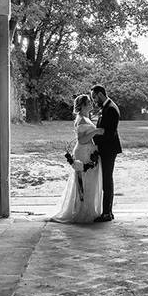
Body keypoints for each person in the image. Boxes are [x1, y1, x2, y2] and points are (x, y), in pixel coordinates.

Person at [51, 94, 105, 223]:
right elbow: (82, 140)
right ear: (83, 105)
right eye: (89, 103)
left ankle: (88, 209)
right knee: (84, 181)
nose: (91, 104)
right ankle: (82, 211)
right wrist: (95, 131)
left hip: (87, 151)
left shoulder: (85, 117)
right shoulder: (81, 119)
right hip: (83, 152)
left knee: (89, 181)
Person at [90, 84, 121, 222]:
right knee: (106, 179)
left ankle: (107, 213)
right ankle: (108, 212)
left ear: (100, 94)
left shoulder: (111, 109)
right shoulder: (106, 107)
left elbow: (109, 133)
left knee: (107, 180)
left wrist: (94, 138)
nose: (94, 100)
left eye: (94, 97)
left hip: (108, 149)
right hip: (106, 148)